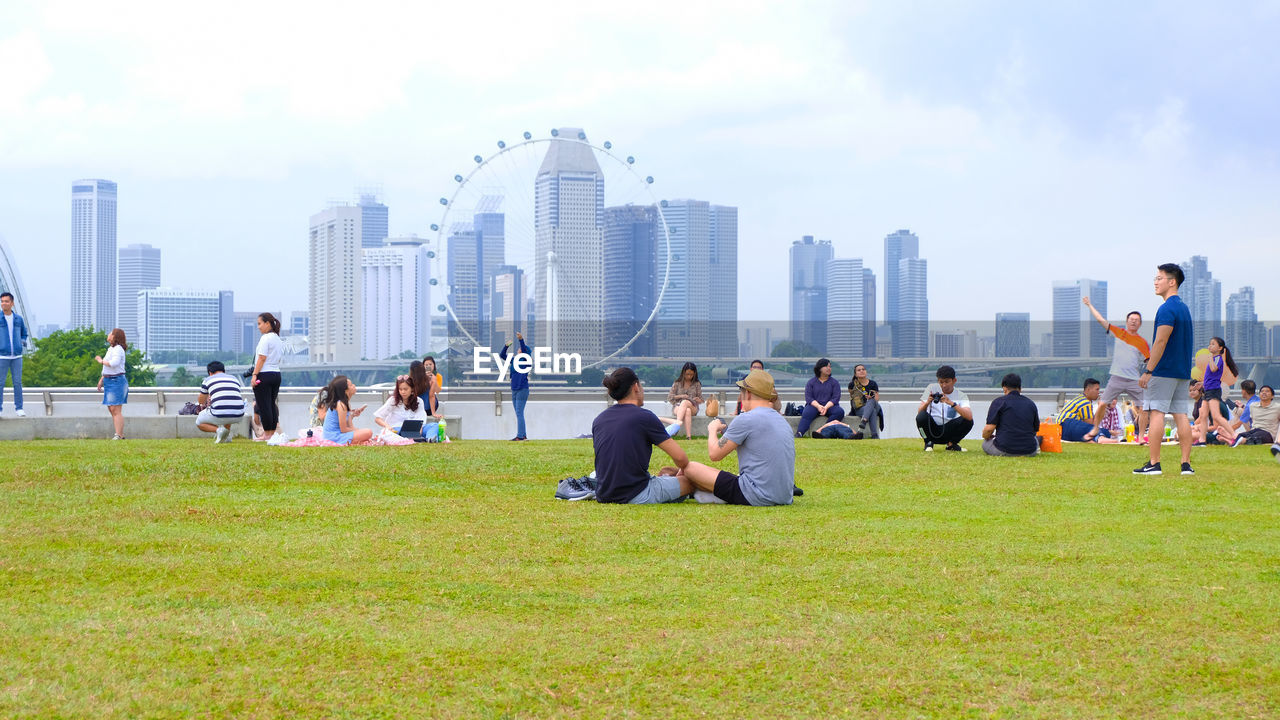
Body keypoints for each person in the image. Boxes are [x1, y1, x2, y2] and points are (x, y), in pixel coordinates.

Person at [678, 369, 796, 506]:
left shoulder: (746, 419)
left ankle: (690, 488)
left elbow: (715, 454)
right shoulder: (782, 421)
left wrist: (712, 430)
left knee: (689, 468)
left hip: (755, 494)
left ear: (749, 394)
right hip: (784, 496)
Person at [592, 367, 692, 504]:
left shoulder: (599, 419)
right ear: (636, 387)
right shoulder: (644, 417)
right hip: (637, 493)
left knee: (666, 473)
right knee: (692, 480)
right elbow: (681, 459)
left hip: (604, 494)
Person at [1135, 264, 1196, 476]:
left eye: (1159, 278)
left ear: (1172, 282)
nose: (1155, 281)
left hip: (1163, 371)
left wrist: (1148, 370)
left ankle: (1154, 463)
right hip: (1182, 372)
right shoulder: (1184, 308)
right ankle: (1185, 464)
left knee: (1156, 413)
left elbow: (1160, 341)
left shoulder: (1166, 309)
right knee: (1181, 415)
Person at [1083, 297, 1149, 443]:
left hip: (1133, 380)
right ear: (1127, 321)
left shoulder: (1142, 343)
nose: (1133, 321)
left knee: (1144, 407)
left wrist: (1147, 374)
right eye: (1131, 319)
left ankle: (1140, 436)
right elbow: (1101, 320)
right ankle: (1095, 429)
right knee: (1102, 404)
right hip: (1117, 378)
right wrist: (1089, 305)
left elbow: (1150, 362)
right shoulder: (1119, 332)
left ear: (1140, 324)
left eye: (1136, 320)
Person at [915, 365, 974, 451]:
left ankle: (951, 444)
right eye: (941, 382)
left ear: (954, 381)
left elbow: (969, 416)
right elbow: (920, 412)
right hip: (932, 428)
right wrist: (927, 402)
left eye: (947, 382)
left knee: (968, 421)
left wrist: (951, 403)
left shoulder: (961, 395)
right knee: (921, 417)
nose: (944, 385)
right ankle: (928, 442)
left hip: (948, 429)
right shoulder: (931, 388)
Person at [982, 373, 1040, 456]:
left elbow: (988, 430)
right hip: (1029, 451)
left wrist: (986, 437)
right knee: (1035, 439)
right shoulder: (1031, 403)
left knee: (985, 443)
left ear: (1004, 388)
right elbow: (1035, 430)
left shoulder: (998, 402)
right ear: (1020, 389)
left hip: (1004, 450)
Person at [250, 312, 284, 441]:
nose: (258, 327)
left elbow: (262, 358)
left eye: (259, 323)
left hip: (264, 375)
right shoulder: (277, 338)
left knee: (263, 406)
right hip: (276, 374)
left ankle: (267, 434)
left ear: (267, 323)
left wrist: (254, 375)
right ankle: (272, 433)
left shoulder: (265, 338)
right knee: (271, 404)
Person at [1198, 337, 1238, 440]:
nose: (1210, 346)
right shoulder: (1214, 359)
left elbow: (1213, 369)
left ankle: (1234, 435)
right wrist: (1202, 383)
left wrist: (1210, 358)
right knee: (1203, 415)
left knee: (1216, 416)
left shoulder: (1218, 359)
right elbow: (1211, 376)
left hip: (1213, 390)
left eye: (1213, 344)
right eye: (1210, 344)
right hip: (1207, 390)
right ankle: (1202, 440)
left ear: (1220, 348)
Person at [196, 361, 246, 443]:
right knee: (227, 406)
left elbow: (201, 401)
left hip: (220, 414)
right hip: (239, 414)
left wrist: (209, 396)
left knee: (199, 422)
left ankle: (218, 430)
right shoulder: (234, 379)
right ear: (223, 371)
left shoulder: (207, 380)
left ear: (210, 372)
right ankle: (227, 437)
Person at [93, 328, 129, 440]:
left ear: (115, 337)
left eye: (111, 333)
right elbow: (108, 368)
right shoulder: (111, 349)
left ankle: (118, 434)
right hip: (109, 380)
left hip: (117, 380)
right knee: (111, 409)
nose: (109, 335)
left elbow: (114, 364)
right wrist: (102, 378)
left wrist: (100, 360)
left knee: (116, 409)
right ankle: (119, 434)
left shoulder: (118, 349)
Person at [797, 358, 844, 436]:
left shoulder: (834, 382)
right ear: (819, 368)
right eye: (826, 366)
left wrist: (825, 407)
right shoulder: (811, 382)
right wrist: (818, 406)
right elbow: (809, 398)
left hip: (830, 406)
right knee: (807, 413)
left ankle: (823, 431)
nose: (829, 368)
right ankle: (800, 433)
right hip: (814, 405)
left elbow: (835, 398)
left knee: (839, 412)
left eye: (830, 366)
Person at [0, 291, 28, 417]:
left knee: (17, 383)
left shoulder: (18, 319)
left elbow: (24, 333)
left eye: (6, 301)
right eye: (2, 301)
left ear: (12, 303)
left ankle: (19, 408)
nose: (3, 303)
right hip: (2, 356)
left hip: (17, 356)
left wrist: (21, 342)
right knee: (0, 383)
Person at [499, 332, 532, 441]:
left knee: (519, 413)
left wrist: (521, 339)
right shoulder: (514, 361)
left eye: (520, 349)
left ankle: (520, 436)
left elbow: (524, 349)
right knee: (519, 413)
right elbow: (502, 355)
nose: (518, 350)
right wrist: (506, 346)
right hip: (514, 389)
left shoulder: (526, 361)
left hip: (522, 389)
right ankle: (523, 435)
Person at [322, 375, 371, 445]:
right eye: (351, 385)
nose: (354, 385)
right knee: (368, 432)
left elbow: (350, 426)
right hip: (334, 436)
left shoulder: (346, 403)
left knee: (365, 433)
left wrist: (353, 417)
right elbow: (343, 429)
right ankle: (355, 442)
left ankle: (357, 442)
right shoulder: (341, 405)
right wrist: (358, 431)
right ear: (345, 391)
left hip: (338, 434)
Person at [667, 362, 703, 440]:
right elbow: (670, 397)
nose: (689, 376)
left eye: (691, 374)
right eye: (687, 374)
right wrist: (681, 396)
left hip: (693, 405)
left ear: (694, 374)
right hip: (678, 406)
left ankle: (677, 425)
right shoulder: (677, 383)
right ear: (683, 373)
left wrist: (697, 399)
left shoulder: (697, 384)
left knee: (685, 402)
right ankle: (688, 436)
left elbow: (701, 400)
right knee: (687, 411)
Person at [847, 363, 883, 439]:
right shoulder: (852, 385)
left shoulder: (873, 383)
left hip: (874, 404)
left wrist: (870, 397)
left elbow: (877, 399)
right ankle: (874, 435)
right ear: (855, 374)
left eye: (863, 369)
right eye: (859, 370)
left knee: (871, 401)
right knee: (871, 411)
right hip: (860, 408)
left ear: (866, 372)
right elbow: (852, 398)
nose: (861, 371)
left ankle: (864, 421)